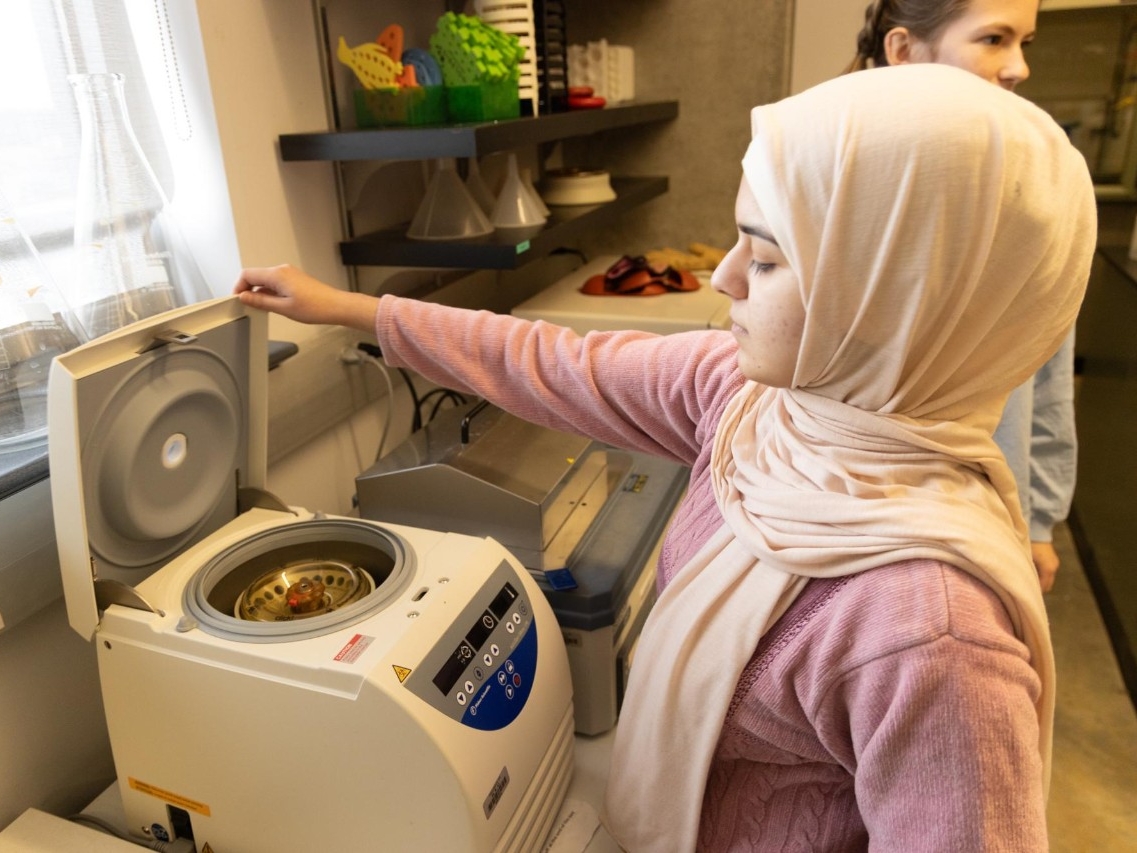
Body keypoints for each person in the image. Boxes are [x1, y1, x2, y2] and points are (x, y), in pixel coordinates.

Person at [235, 66, 1095, 850]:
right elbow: (551, 362)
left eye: (763, 256)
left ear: (893, 295)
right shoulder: (756, 402)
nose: (722, 276)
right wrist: (348, 309)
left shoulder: (928, 633)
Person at [847, 0, 1072, 594]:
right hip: (854, 524)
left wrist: (1040, 522)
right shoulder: (836, 183)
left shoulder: (1037, 194)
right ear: (903, 51)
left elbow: (1046, 380)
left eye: (1026, 42)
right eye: (995, 39)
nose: (1019, 66)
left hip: (987, 520)